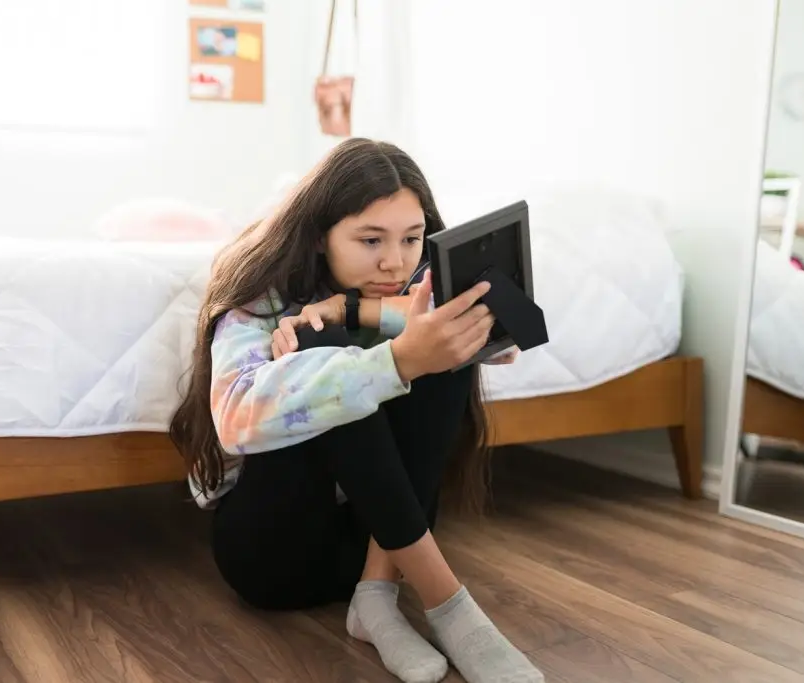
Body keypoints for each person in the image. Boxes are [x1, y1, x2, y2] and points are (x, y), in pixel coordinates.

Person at [169, 138, 543, 683]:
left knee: (441, 344)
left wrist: (357, 310)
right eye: (371, 240)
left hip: (379, 549)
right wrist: (385, 353)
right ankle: (450, 607)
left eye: (411, 239)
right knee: (328, 347)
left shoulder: (411, 282)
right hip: (274, 557)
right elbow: (234, 416)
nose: (394, 260)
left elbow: (502, 342)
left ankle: (373, 600)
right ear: (321, 237)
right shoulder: (262, 293)